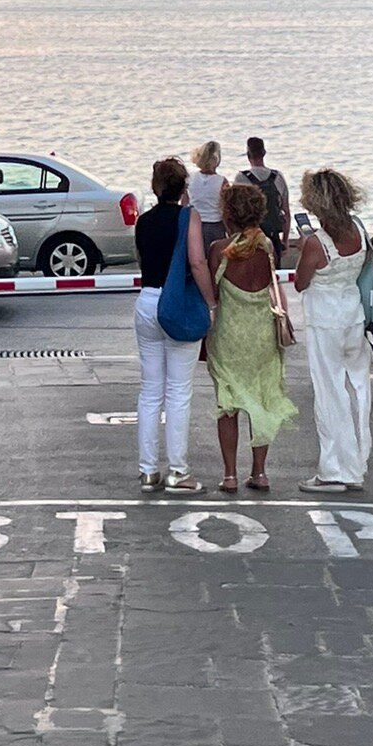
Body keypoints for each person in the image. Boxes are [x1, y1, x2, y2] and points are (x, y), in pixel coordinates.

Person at [133, 155, 216, 494]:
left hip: (147, 302)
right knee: (179, 392)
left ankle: (148, 470)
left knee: (150, 390)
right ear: (184, 188)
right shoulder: (188, 217)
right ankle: (178, 471)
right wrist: (211, 302)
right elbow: (196, 262)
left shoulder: (143, 221)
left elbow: (143, 262)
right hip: (177, 304)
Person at [207, 181, 297, 493]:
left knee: (227, 405)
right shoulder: (267, 248)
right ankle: (259, 472)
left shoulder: (219, 250)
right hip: (262, 335)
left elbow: (213, 293)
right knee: (262, 400)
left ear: (228, 215)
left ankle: (230, 474)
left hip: (229, 335)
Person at [293, 167, 372, 495]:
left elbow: (300, 282)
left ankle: (333, 470)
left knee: (329, 394)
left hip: (325, 321)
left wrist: (303, 245)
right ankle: (356, 465)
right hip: (353, 316)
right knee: (356, 391)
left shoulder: (316, 243)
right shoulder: (358, 230)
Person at [234, 137, 291, 257]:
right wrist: (285, 240)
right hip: (273, 234)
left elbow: (235, 212)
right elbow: (286, 212)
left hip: (250, 236)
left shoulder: (241, 179)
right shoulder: (278, 177)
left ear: (248, 154)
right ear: (264, 153)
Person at [188, 140, 227, 255]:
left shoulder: (190, 178)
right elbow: (224, 209)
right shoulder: (221, 181)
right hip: (215, 225)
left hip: (195, 224)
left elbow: (184, 204)